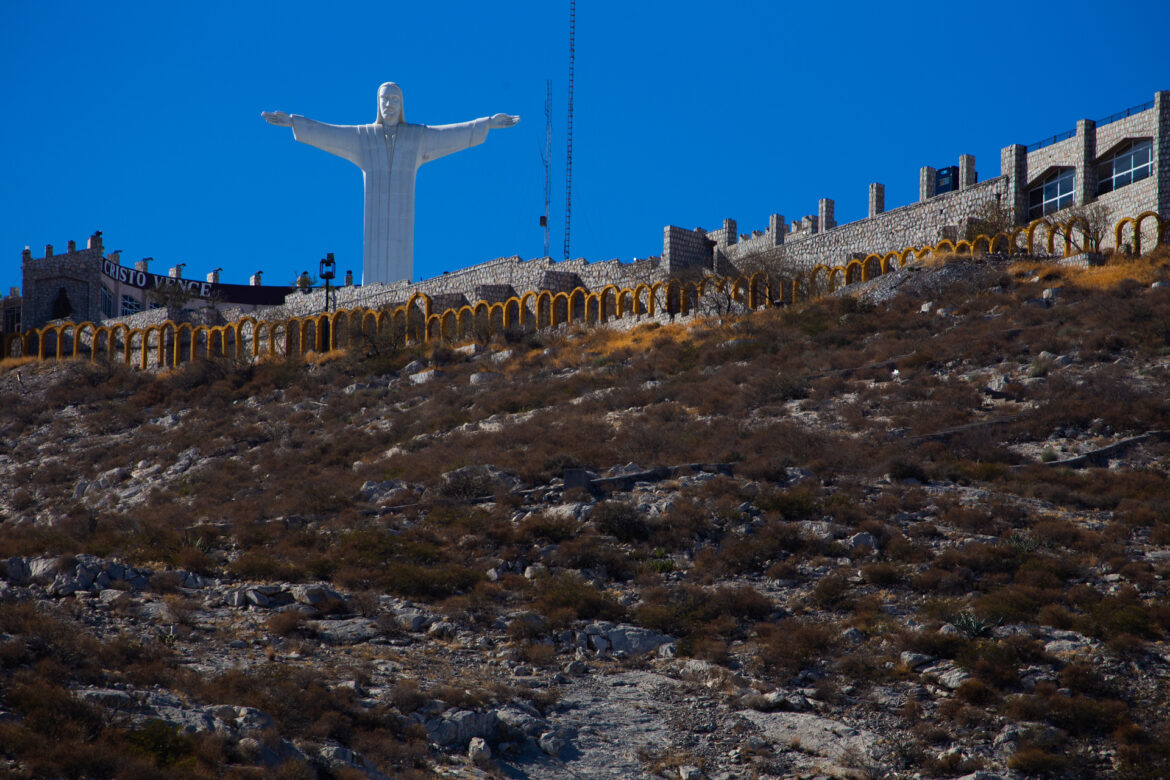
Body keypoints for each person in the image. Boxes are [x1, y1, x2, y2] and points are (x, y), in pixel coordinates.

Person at [263, 83, 519, 285]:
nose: (389, 104)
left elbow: (451, 134)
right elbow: (328, 132)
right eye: (384, 99)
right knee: (373, 273)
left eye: (394, 99)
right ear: (377, 104)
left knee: (400, 270)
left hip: (401, 228)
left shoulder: (417, 136)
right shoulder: (363, 137)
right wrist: (294, 122)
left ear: (402, 104)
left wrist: (486, 124)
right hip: (374, 228)